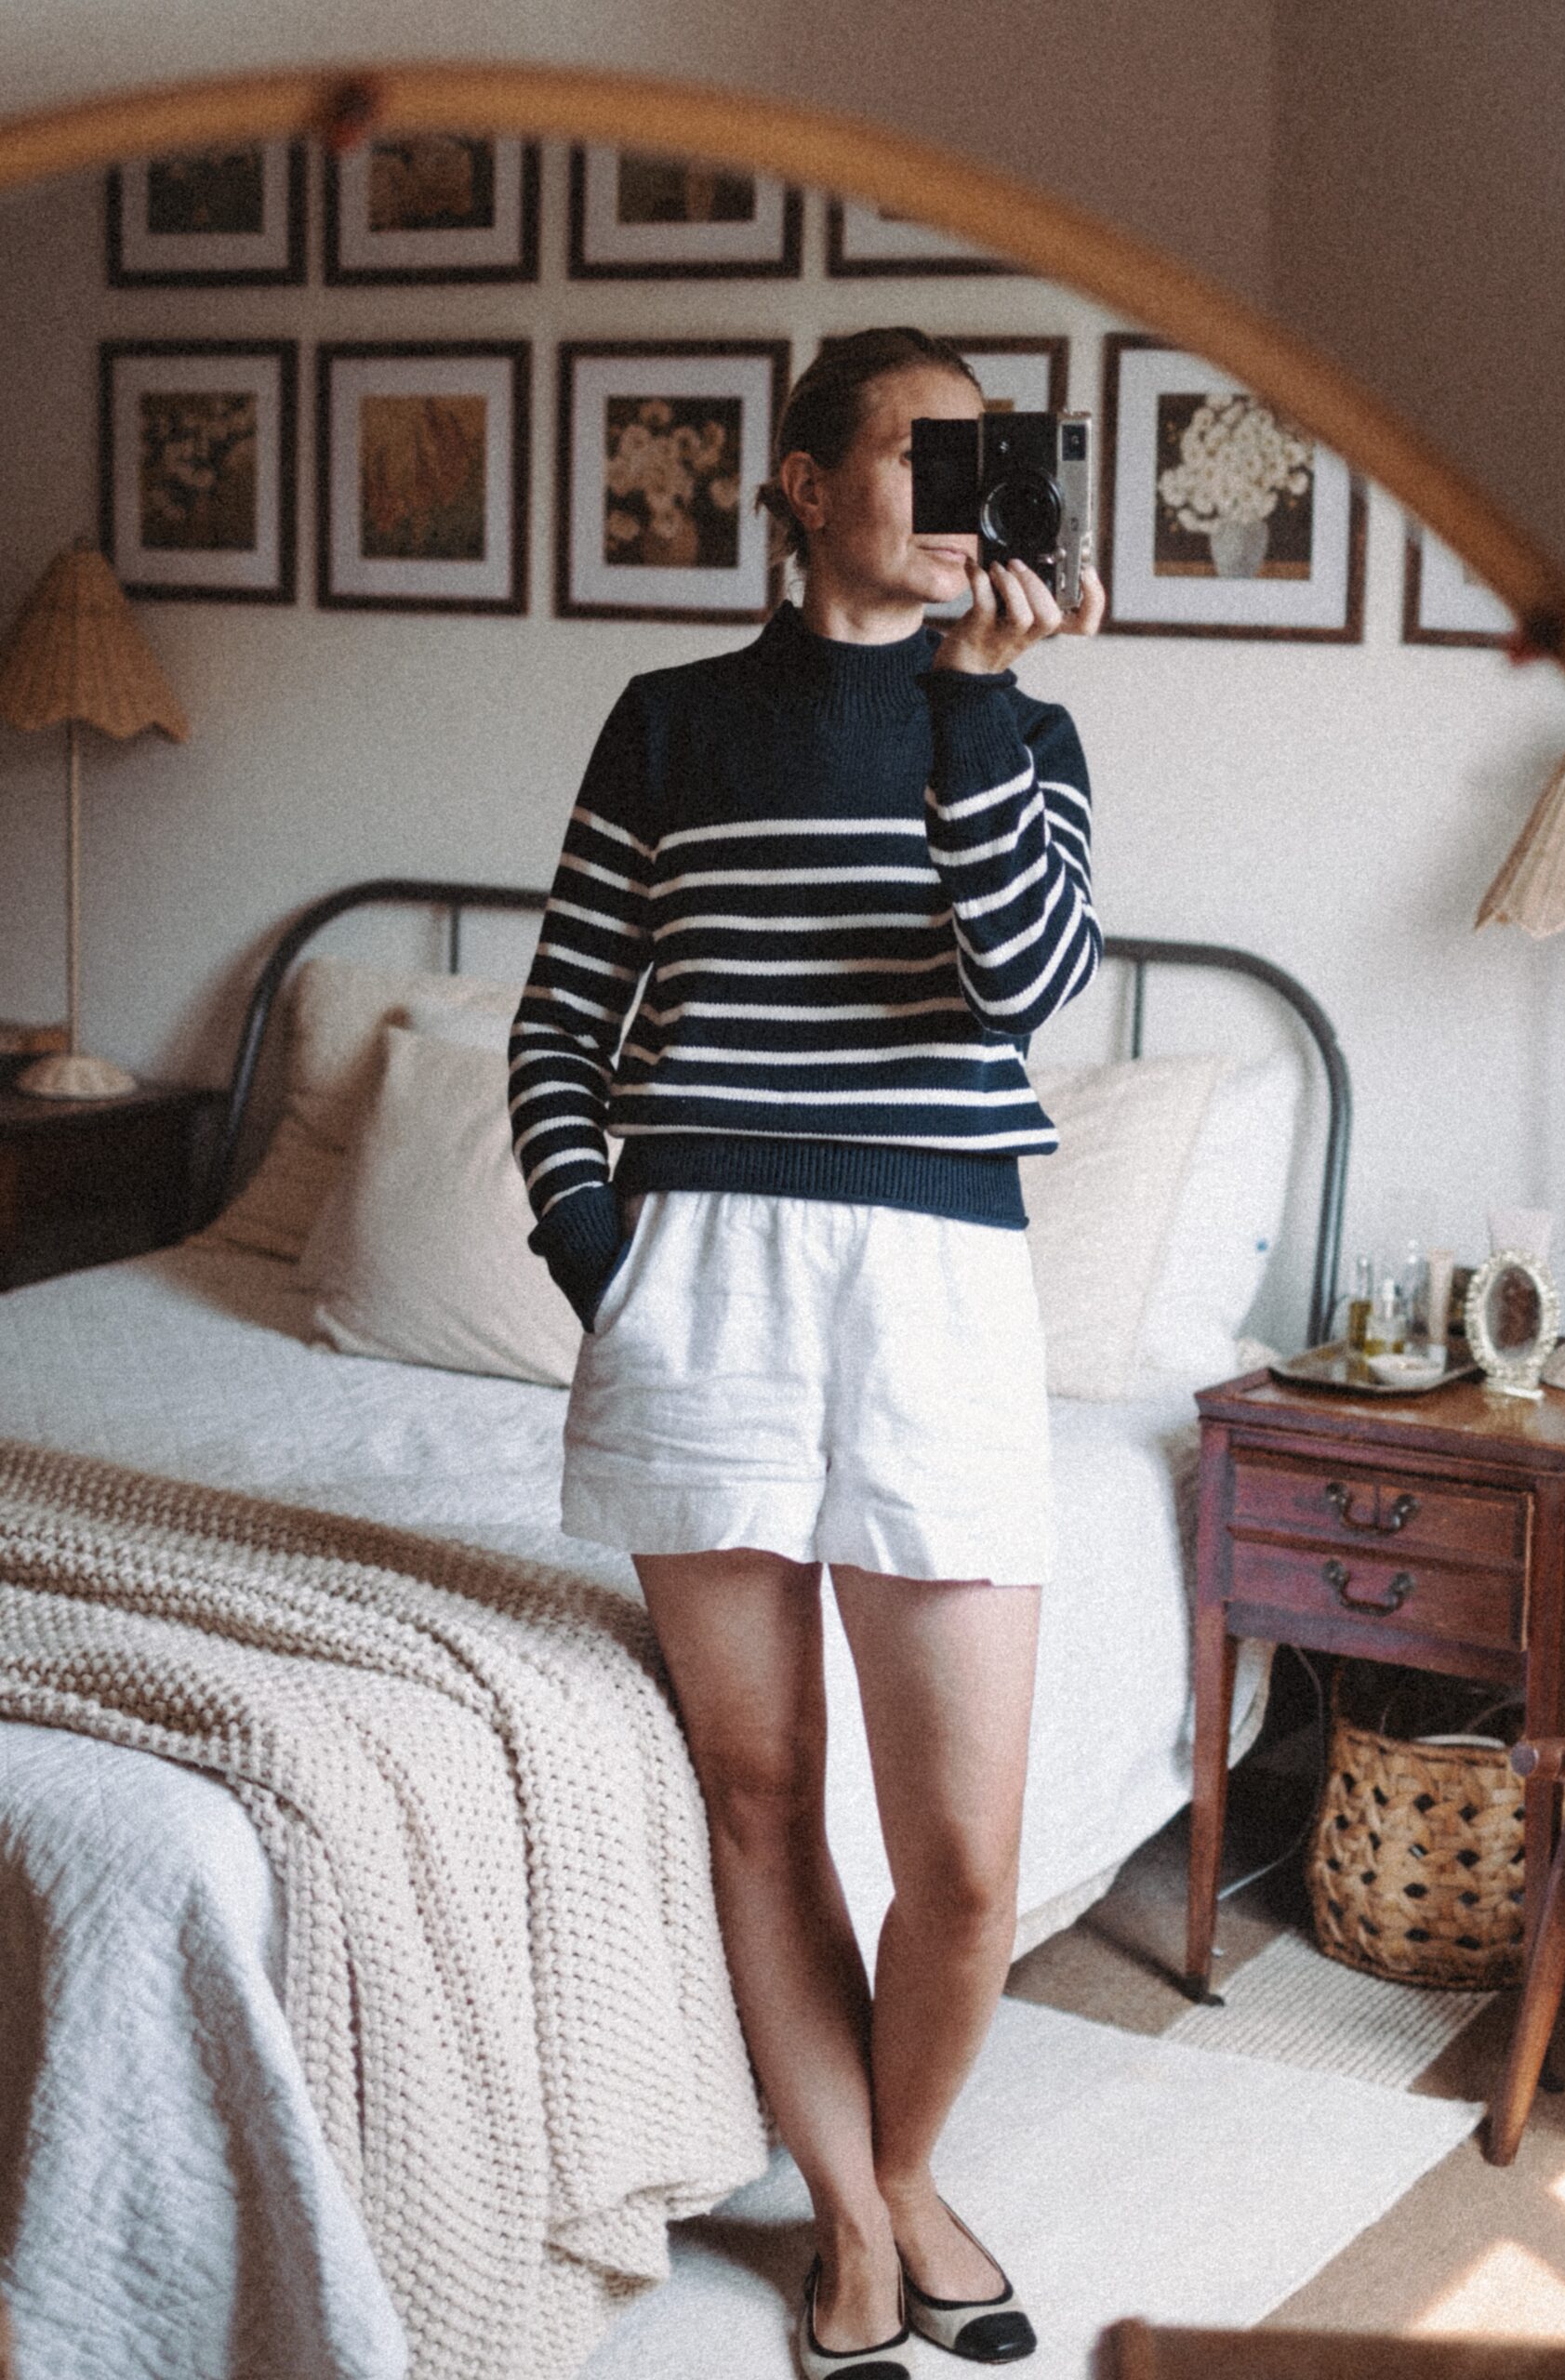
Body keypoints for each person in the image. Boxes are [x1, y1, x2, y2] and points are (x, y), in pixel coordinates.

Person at [510, 326, 1106, 2377]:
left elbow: (1014, 985)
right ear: (797, 480)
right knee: (761, 1795)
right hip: (707, 1285)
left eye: (984, 464)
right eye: (923, 458)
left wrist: (973, 713)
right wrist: (615, 1262)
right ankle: (859, 2217)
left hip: (935, 1289)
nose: (962, 503)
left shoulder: (1021, 728)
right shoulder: (666, 724)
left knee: (961, 1857)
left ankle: (909, 2154)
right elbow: (557, 1027)